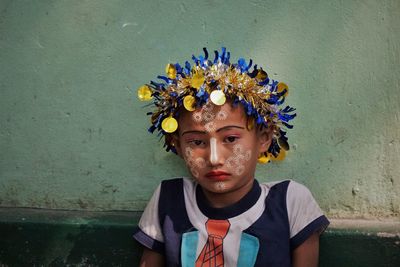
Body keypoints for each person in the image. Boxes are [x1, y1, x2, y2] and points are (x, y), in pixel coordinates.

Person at [134, 47, 329, 267]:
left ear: (263, 139)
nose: (215, 159)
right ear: (176, 145)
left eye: (230, 139)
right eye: (197, 142)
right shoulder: (169, 199)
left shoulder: (289, 201)